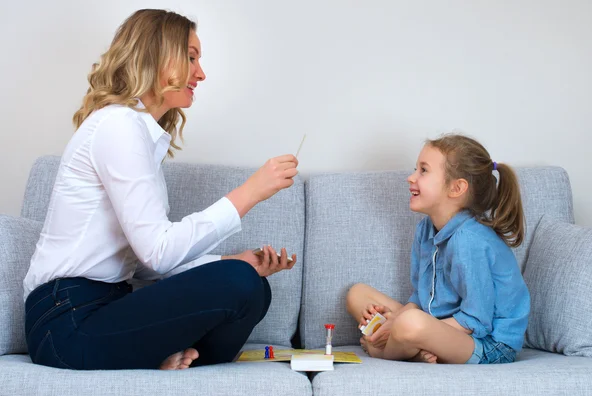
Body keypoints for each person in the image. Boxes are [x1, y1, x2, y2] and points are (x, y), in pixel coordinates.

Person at [23, 9, 299, 370]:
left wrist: (230, 261)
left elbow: (145, 267)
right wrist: (249, 192)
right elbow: (159, 254)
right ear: (157, 55)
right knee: (239, 283)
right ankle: (164, 353)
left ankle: (170, 356)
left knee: (253, 287)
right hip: (65, 322)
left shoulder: (136, 133)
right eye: (191, 57)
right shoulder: (117, 125)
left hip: (109, 306)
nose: (200, 73)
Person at [346, 134, 530, 364]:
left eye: (423, 170)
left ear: (456, 188)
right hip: (439, 323)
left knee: (409, 324)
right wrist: (395, 321)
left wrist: (399, 326)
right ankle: (413, 346)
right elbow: (421, 297)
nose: (410, 177)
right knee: (358, 294)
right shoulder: (426, 229)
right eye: (416, 169)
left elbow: (476, 321)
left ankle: (382, 351)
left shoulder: (469, 241)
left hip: (488, 344)